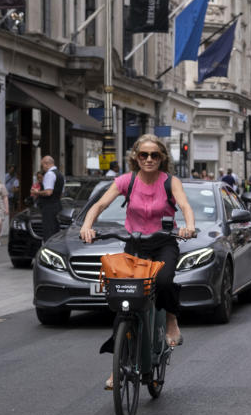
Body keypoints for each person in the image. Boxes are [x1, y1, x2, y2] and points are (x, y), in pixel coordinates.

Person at [80, 135, 197, 389]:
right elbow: (99, 205)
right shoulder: (126, 181)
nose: (149, 159)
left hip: (164, 242)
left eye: (154, 155)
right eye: (143, 155)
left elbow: (186, 206)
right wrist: (87, 226)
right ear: (136, 157)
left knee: (164, 280)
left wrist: (189, 226)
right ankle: (118, 366)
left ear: (162, 158)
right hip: (135, 245)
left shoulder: (170, 182)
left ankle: (171, 320)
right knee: (125, 301)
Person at [31, 156, 64, 240]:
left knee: (49, 231)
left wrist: (36, 192)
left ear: (46, 164)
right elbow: (61, 193)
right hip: (57, 205)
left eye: (42, 165)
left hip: (49, 207)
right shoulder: (60, 174)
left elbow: (48, 192)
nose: (43, 168)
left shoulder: (50, 174)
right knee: (55, 230)